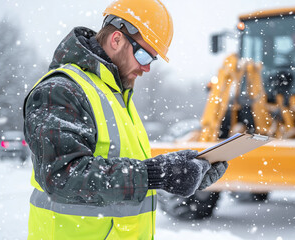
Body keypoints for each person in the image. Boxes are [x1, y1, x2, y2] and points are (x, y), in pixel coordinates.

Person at [23, 0, 228, 239]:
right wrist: (158, 173)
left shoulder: (116, 97)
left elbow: (127, 171)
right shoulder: (61, 90)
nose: (147, 68)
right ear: (116, 39)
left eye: (152, 59)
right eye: (143, 54)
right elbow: (63, 176)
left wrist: (182, 175)